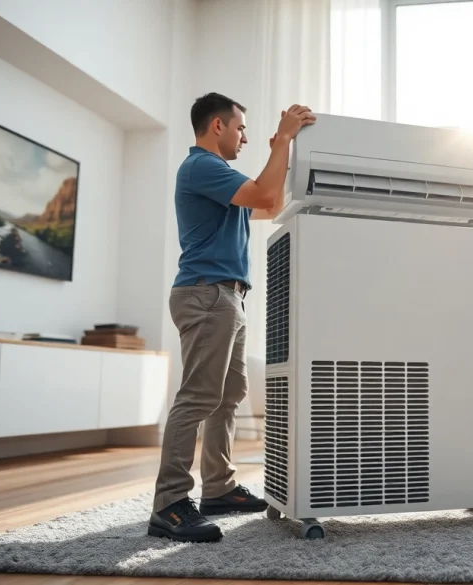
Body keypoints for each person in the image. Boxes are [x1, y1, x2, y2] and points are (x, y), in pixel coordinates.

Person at [148, 92, 315, 543]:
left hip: (226, 295)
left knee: (228, 395)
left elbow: (268, 204)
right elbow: (264, 194)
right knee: (199, 396)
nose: (245, 135)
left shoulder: (220, 175)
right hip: (206, 293)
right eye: (240, 127)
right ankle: (169, 504)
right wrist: (280, 140)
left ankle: (218, 488)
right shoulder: (202, 166)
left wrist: (286, 148)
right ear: (217, 126)